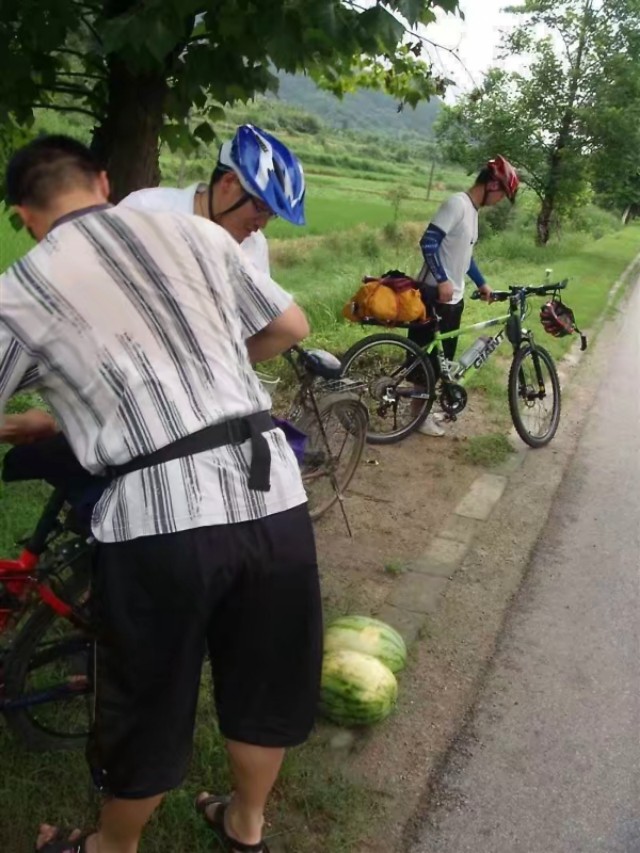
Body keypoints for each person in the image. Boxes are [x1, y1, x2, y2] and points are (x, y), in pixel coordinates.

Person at [0, 134, 322, 853]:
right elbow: (289, 326)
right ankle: (246, 827)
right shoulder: (192, 232)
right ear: (104, 182)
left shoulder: (21, 289)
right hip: (272, 493)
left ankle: (110, 848)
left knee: (146, 700)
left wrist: (51, 416)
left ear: (25, 214)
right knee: (263, 682)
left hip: (161, 521)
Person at [411, 155, 520, 437]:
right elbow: (429, 241)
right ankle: (417, 418)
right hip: (433, 295)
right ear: (492, 185)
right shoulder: (456, 204)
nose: (499, 201)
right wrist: (443, 279)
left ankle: (421, 414)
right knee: (425, 362)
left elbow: (465, 257)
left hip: (453, 300)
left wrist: (482, 284)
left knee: (442, 363)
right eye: (503, 195)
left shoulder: (472, 212)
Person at [119, 124, 306, 275]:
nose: (263, 224)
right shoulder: (145, 211)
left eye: (271, 214)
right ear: (229, 182)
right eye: (261, 207)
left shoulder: (255, 247)